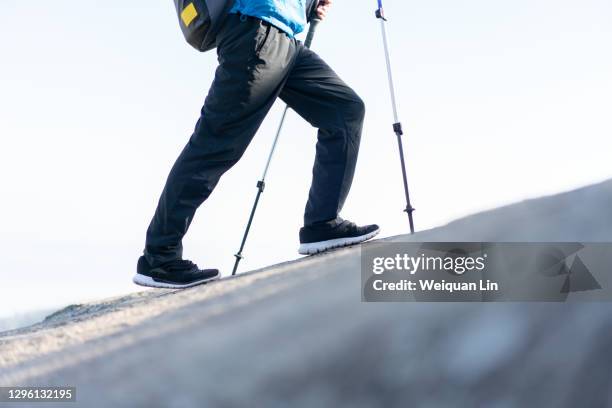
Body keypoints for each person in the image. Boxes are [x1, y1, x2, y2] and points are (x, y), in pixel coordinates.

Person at [134, 0, 379, 288]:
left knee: (344, 110)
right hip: (255, 32)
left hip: (286, 39)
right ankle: (158, 257)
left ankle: (322, 224)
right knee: (214, 145)